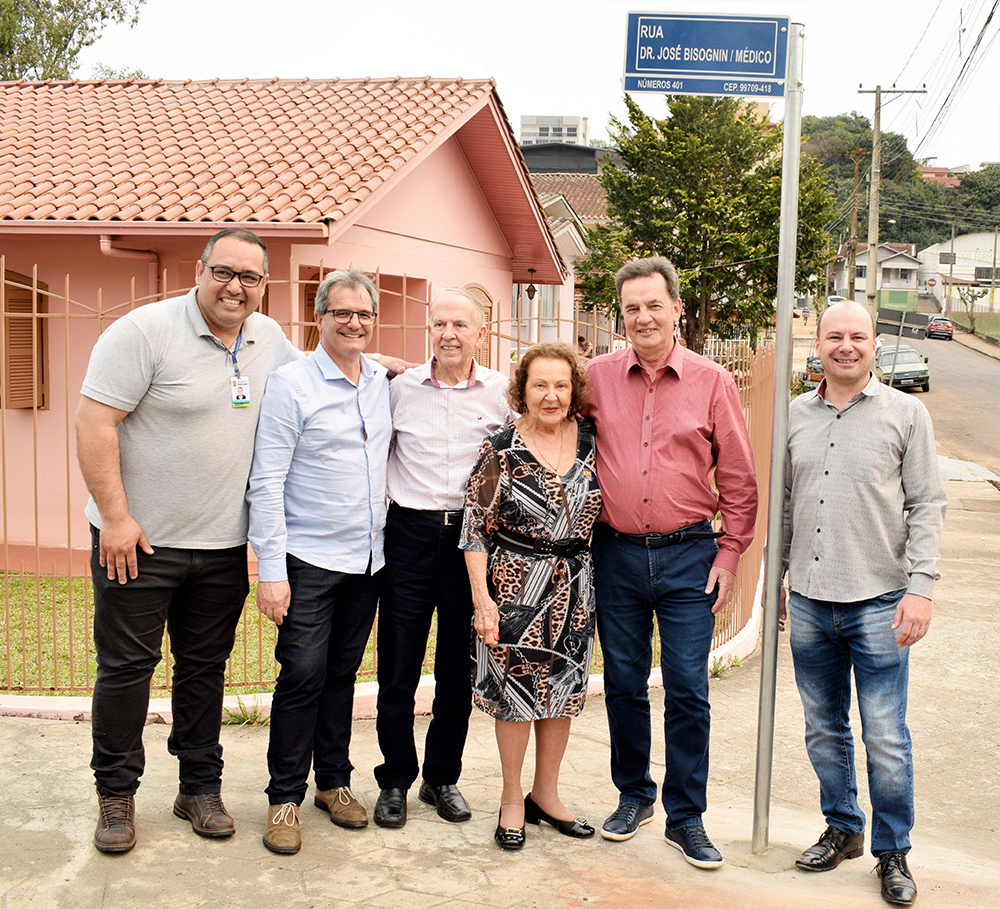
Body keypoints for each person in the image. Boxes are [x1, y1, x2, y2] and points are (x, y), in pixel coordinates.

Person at [75, 227, 299, 853]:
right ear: (200, 271)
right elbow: (94, 422)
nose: (236, 286)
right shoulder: (144, 333)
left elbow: (316, 381)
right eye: (223, 272)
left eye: (250, 277)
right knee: (126, 670)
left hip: (222, 546)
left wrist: (396, 369)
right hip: (137, 542)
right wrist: (116, 519)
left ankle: (198, 787)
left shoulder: (268, 339)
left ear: (263, 285)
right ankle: (116, 796)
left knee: (204, 671)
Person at [584, 256, 758, 868]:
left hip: (691, 556)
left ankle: (686, 816)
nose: (643, 317)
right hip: (617, 555)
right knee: (624, 685)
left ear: (676, 309)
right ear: (620, 316)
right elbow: (542, 417)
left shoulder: (713, 382)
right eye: (631, 308)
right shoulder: (595, 379)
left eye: (654, 305)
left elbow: (738, 478)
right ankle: (635, 794)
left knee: (688, 689)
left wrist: (731, 553)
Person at [780, 300, 946, 906]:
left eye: (857, 336)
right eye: (834, 336)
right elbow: (786, 502)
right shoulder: (796, 413)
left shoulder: (906, 413)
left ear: (874, 344)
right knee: (823, 730)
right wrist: (780, 578)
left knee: (884, 735)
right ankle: (844, 828)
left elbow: (927, 502)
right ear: (817, 344)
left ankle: (892, 850)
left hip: (880, 601)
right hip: (809, 600)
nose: (845, 345)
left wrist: (922, 588)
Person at [246, 266, 391, 855]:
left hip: (368, 562)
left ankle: (333, 782)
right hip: (307, 559)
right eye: (342, 313)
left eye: (364, 314)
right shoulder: (292, 384)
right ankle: (284, 798)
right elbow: (266, 481)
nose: (354, 322)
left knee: (340, 676)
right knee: (302, 675)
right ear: (319, 317)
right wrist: (272, 571)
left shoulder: (382, 378)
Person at [372, 287, 513, 828]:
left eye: (460, 325)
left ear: (482, 334)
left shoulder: (502, 393)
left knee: (459, 669)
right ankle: (395, 780)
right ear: (428, 330)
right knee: (398, 668)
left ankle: (441, 777)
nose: (448, 334)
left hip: (472, 545)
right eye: (439, 324)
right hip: (408, 536)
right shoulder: (400, 388)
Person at [461, 341, 601, 851]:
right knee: (515, 696)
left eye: (561, 385)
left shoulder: (591, 441)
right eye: (540, 384)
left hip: (576, 586)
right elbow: (475, 528)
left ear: (574, 391)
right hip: (515, 585)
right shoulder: (500, 449)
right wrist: (483, 600)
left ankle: (547, 793)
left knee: (562, 692)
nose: (551, 395)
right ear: (522, 390)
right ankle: (513, 797)